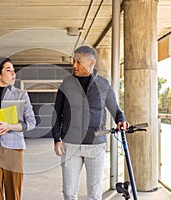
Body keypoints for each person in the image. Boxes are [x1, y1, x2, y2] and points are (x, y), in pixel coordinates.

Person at [52, 46, 129, 200]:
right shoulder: (66, 84)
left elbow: (116, 110)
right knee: (69, 192)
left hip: (95, 145)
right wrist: (57, 139)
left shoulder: (103, 85)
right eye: (73, 61)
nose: (74, 65)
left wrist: (122, 120)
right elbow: (56, 113)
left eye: (78, 62)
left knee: (94, 194)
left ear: (91, 63)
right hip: (70, 145)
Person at [0, 57, 36, 200]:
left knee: (13, 192)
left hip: (14, 148)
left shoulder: (21, 94)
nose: (13, 74)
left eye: (14, 71)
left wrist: (10, 126)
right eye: (8, 70)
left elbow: (31, 122)